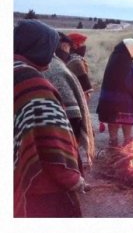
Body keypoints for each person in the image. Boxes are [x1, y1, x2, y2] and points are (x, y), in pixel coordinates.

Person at [14, 20, 86, 217]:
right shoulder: (33, 84)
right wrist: (72, 179)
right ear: (39, 47)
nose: (53, 55)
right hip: (41, 188)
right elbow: (52, 143)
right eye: (50, 49)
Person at [43, 36, 95, 170]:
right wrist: (82, 106)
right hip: (65, 114)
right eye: (67, 46)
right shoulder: (66, 64)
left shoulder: (55, 62)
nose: (83, 46)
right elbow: (86, 89)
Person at [96, 38, 133, 147]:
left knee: (114, 120)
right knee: (122, 121)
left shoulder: (117, 58)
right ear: (129, 49)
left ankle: (114, 142)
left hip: (112, 99)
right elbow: (128, 81)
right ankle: (124, 143)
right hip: (122, 100)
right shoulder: (124, 62)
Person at [67, 32, 94, 102]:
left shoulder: (66, 58)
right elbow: (85, 90)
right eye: (82, 43)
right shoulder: (76, 62)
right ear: (75, 45)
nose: (84, 46)